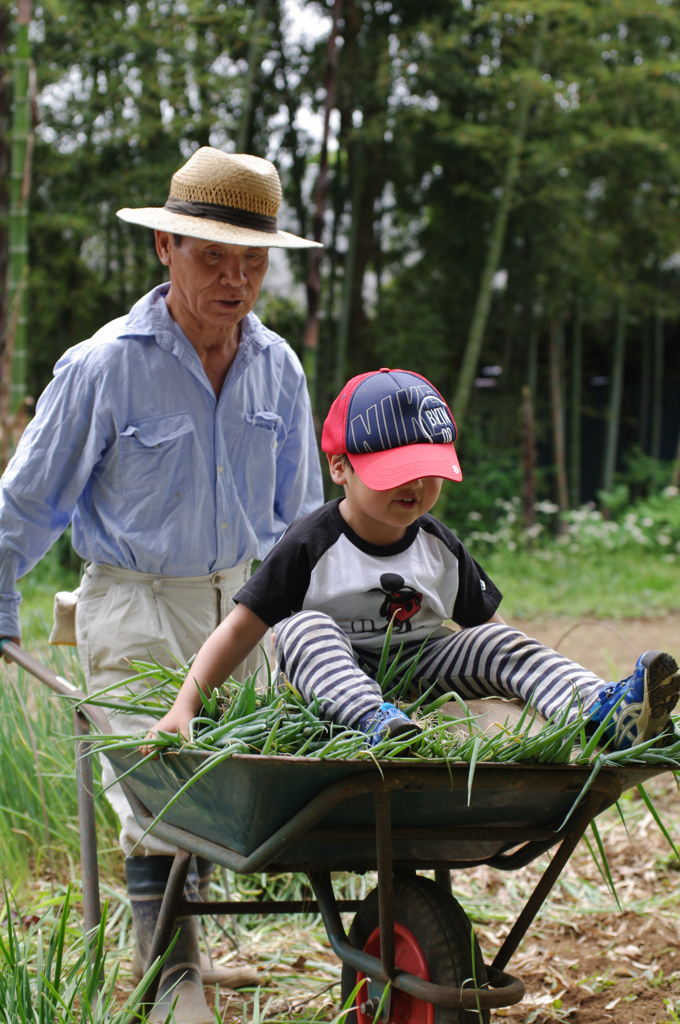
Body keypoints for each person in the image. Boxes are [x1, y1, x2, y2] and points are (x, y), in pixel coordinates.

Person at [0, 147, 324, 1024]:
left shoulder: (278, 369)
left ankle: (172, 951)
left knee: (226, 787)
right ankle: (174, 980)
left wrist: (324, 626)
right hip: (133, 603)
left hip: (241, 603)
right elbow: (28, 504)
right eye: (212, 256)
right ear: (166, 250)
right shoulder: (104, 365)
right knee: (162, 787)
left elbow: (303, 522)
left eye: (251, 260)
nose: (234, 278)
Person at [144, 367, 680, 762]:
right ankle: (376, 723)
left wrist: (509, 661)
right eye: (395, 470)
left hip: (420, 670)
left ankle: (603, 713)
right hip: (330, 678)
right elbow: (240, 630)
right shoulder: (310, 544)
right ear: (340, 467)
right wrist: (185, 705)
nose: (415, 486)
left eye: (427, 470)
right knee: (303, 629)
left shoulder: (439, 545)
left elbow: (486, 634)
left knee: (503, 640)